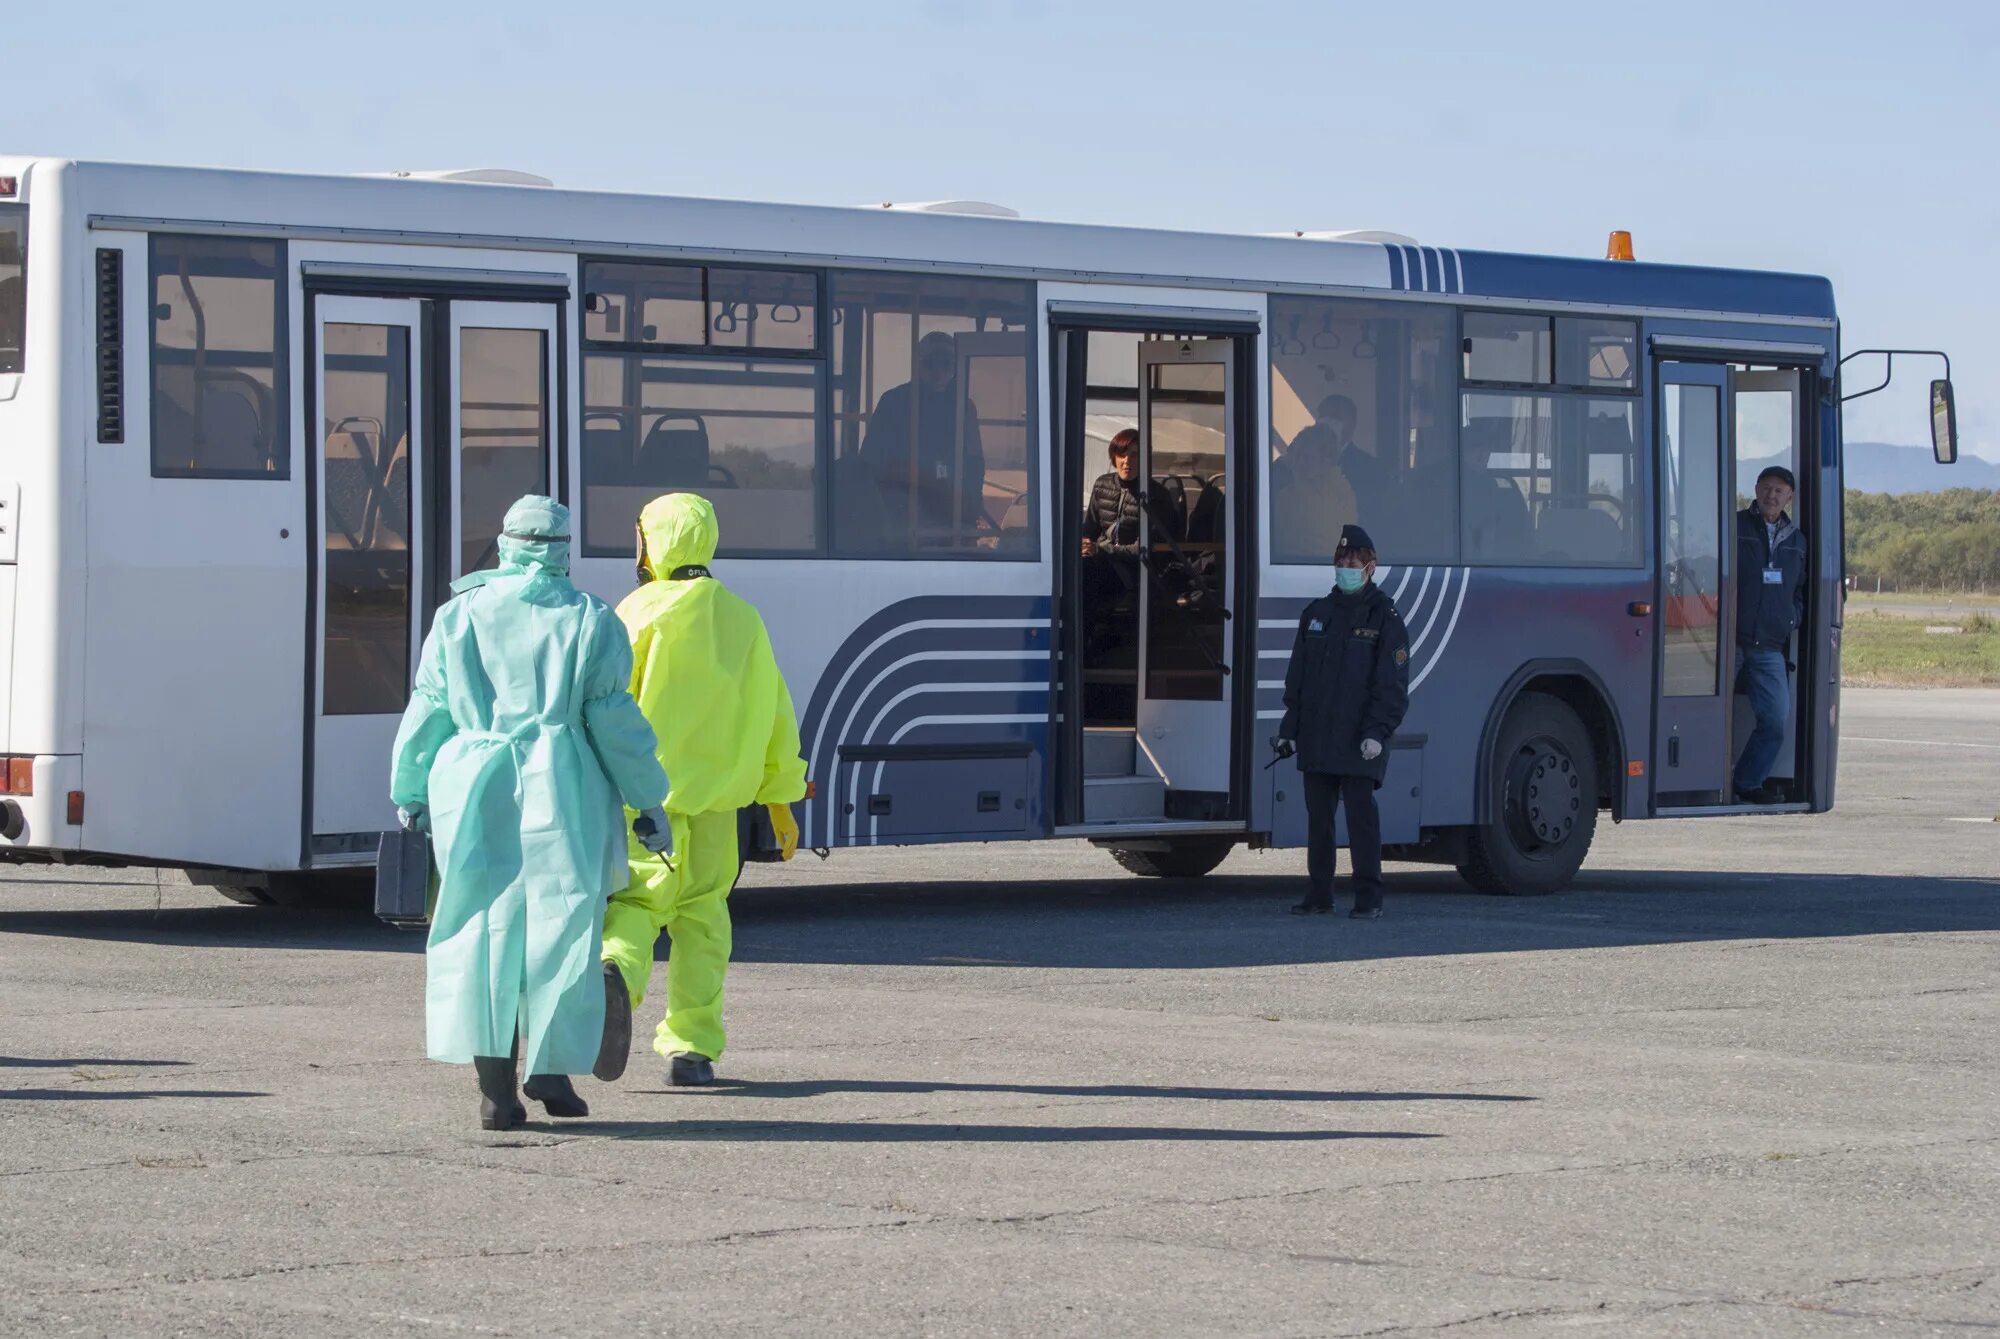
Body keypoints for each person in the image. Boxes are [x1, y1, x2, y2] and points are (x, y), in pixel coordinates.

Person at [390, 496, 671, 1132]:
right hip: (561, 783)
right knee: (563, 929)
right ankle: (550, 1069)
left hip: (473, 781)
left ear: (506, 543)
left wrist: (409, 785)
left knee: (480, 929)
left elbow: (430, 706)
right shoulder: (590, 618)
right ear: (564, 548)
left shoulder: (458, 614)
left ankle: (497, 1089)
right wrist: (647, 798)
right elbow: (613, 719)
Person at [600, 492, 808, 1088]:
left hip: (647, 801)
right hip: (722, 803)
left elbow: (610, 708)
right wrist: (781, 794)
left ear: (651, 542)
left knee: (638, 904)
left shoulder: (637, 613)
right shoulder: (743, 617)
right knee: (705, 920)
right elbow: (776, 712)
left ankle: (615, 973)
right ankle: (692, 1050)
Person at [1272, 524, 1410, 919]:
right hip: (1317, 736)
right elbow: (1296, 681)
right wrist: (1288, 731)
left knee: (1361, 821)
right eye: (1340, 560)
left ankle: (1369, 898)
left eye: (1354, 561)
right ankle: (1320, 894)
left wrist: (1377, 734)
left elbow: (1392, 686)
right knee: (1319, 822)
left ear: (1371, 566)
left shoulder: (1385, 617)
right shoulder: (1316, 614)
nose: (1346, 566)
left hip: (1358, 739)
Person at [856, 330, 990, 547]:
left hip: (951, 516)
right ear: (918, 364)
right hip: (904, 516)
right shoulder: (894, 402)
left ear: (955, 367)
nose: (938, 371)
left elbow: (974, 461)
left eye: (946, 364)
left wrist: (970, 506)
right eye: (931, 363)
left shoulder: (964, 406)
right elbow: (872, 460)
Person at [1733, 465, 1807, 803]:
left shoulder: (1797, 541)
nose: (1772, 495)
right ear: (1756, 489)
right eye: (1767, 488)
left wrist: (1791, 618)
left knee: (1776, 720)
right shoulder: (1735, 526)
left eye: (1780, 490)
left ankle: (1748, 783)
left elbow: (1800, 591)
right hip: (1727, 642)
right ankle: (1697, 779)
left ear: (1789, 497)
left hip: (1769, 648)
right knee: (1705, 714)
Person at [1270, 398, 1359, 562]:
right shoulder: (1286, 493)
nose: (1297, 462)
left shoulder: (1336, 496)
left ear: (1327, 460)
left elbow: (1320, 549)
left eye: (1306, 457)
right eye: (1295, 455)